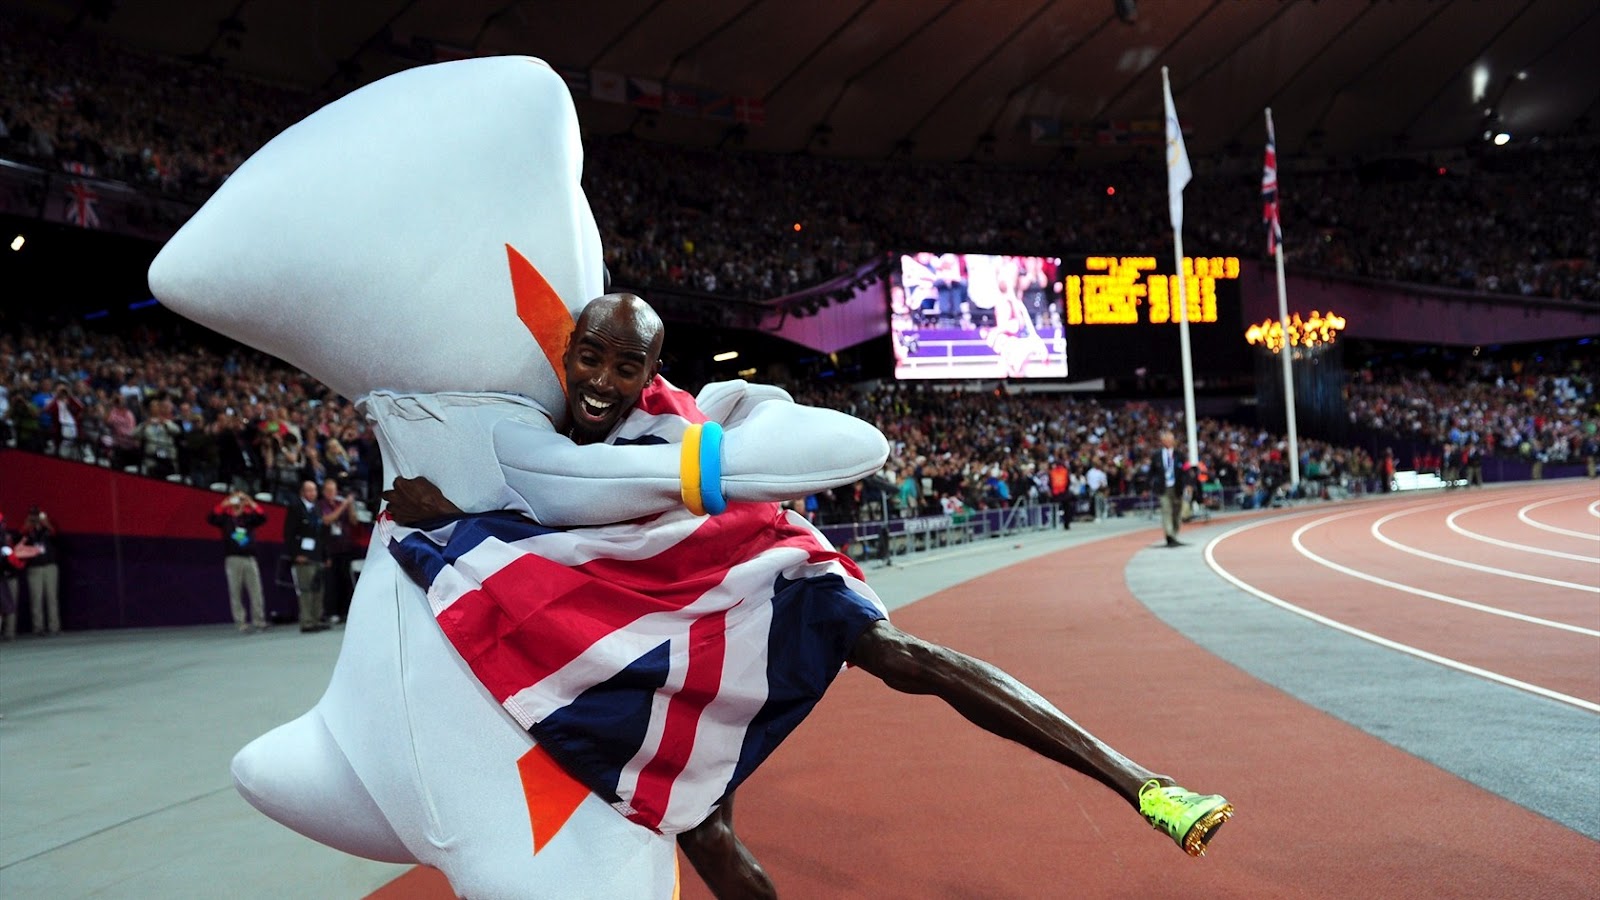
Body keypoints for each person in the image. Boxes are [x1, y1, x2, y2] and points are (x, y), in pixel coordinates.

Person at [387, 294, 1233, 899]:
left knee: (902, 657)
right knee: (708, 835)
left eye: (627, 365)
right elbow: (548, 522)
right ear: (567, 350)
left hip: (758, 571)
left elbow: (784, 442)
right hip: (666, 633)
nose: (603, 379)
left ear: (651, 371)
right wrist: (452, 518)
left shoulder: (680, 421)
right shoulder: (532, 438)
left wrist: (734, 452)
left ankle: (1143, 784)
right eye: (591, 357)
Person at [208, 490, 270, 632]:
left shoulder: (249, 518)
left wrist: (252, 503)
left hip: (250, 558)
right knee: (235, 592)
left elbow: (263, 517)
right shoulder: (225, 518)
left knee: (256, 591)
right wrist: (223, 504)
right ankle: (240, 622)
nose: (239, 502)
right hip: (233, 558)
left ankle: (259, 621)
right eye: (236, 499)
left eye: (241, 499)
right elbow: (210, 518)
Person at [282, 480, 328, 633]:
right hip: (303, 556)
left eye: (314, 490)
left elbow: (321, 534)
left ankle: (317, 619)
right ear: (302, 492)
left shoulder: (317, 509)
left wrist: (326, 556)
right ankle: (307, 622)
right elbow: (288, 534)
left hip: (317, 555)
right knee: (306, 589)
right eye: (309, 490)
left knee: (318, 589)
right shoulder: (295, 508)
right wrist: (295, 554)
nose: (312, 493)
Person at [317, 478, 359, 625]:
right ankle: (332, 612)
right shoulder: (321, 504)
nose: (332, 493)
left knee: (345, 580)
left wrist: (350, 506)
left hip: (344, 546)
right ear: (324, 492)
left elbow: (354, 521)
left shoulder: (341, 503)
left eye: (333, 490)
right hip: (330, 548)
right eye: (329, 491)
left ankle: (346, 611)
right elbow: (328, 519)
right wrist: (344, 505)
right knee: (331, 582)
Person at [19, 506, 62, 634]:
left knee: (52, 598)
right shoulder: (29, 531)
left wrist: (46, 522)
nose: (36, 518)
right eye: (33, 515)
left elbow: (56, 536)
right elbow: (19, 540)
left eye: (37, 515)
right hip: (34, 568)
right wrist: (27, 525)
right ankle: (38, 627)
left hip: (49, 566)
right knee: (36, 599)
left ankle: (54, 627)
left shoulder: (46, 529)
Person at [1151, 430, 1187, 547]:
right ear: (1162, 441)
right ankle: (1169, 535)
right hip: (1163, 488)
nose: (1169, 442)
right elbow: (1152, 472)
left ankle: (1174, 534)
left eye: (1170, 439)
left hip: (1177, 487)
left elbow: (1185, 471)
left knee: (1176, 512)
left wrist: (1188, 484)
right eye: (1166, 439)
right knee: (1166, 511)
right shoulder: (1156, 455)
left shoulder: (1180, 455)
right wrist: (1147, 487)